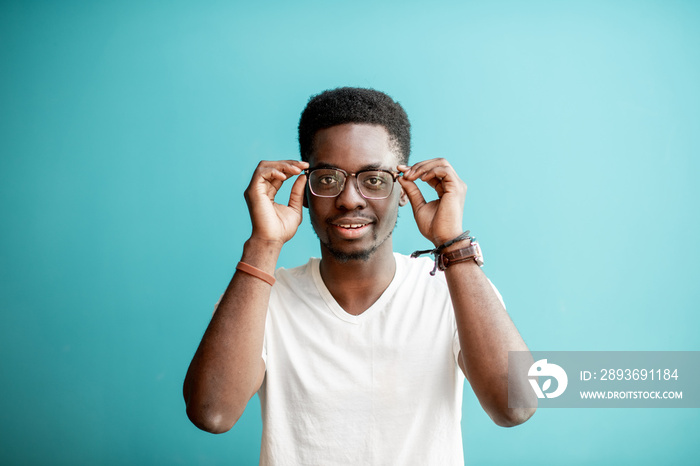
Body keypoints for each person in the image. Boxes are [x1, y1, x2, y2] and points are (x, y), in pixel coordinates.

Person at [183, 87, 535, 465]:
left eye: (374, 179)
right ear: (304, 189)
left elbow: (516, 406)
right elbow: (212, 413)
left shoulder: (451, 289)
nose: (350, 198)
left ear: (403, 188)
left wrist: (451, 244)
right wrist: (263, 245)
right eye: (329, 179)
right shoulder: (262, 298)